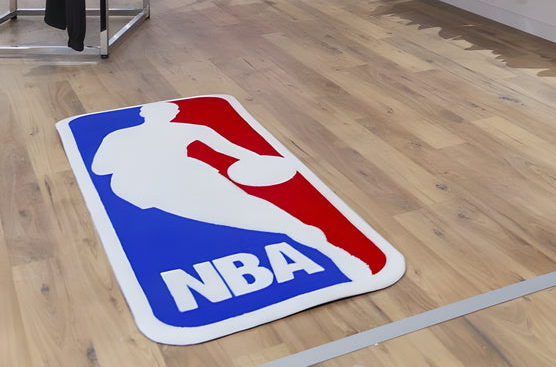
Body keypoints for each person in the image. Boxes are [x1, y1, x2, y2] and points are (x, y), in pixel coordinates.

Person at [91, 100, 370, 280]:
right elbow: (237, 152)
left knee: (258, 214)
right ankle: (333, 252)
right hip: (166, 185)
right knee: (256, 216)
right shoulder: (177, 130)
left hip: (164, 185)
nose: (170, 114)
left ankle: (334, 252)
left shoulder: (121, 136)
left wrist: (258, 162)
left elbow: (101, 169)